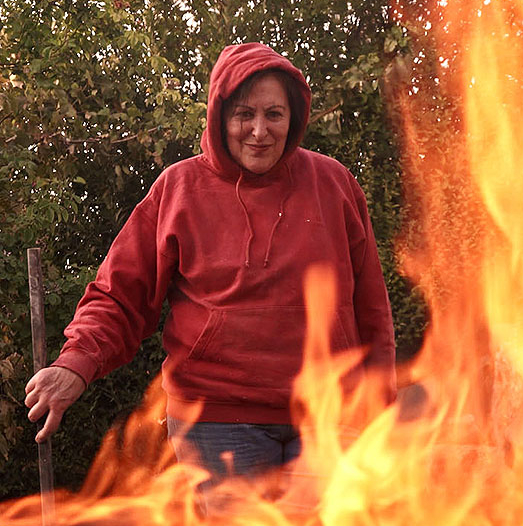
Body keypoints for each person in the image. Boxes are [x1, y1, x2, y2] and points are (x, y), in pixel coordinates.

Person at [23, 43, 396, 480]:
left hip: (331, 416)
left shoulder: (334, 185)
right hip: (216, 420)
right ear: (220, 116)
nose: (259, 131)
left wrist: (381, 403)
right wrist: (76, 364)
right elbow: (121, 294)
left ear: (293, 117)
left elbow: (372, 308)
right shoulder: (178, 189)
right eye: (244, 115)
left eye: (274, 114)